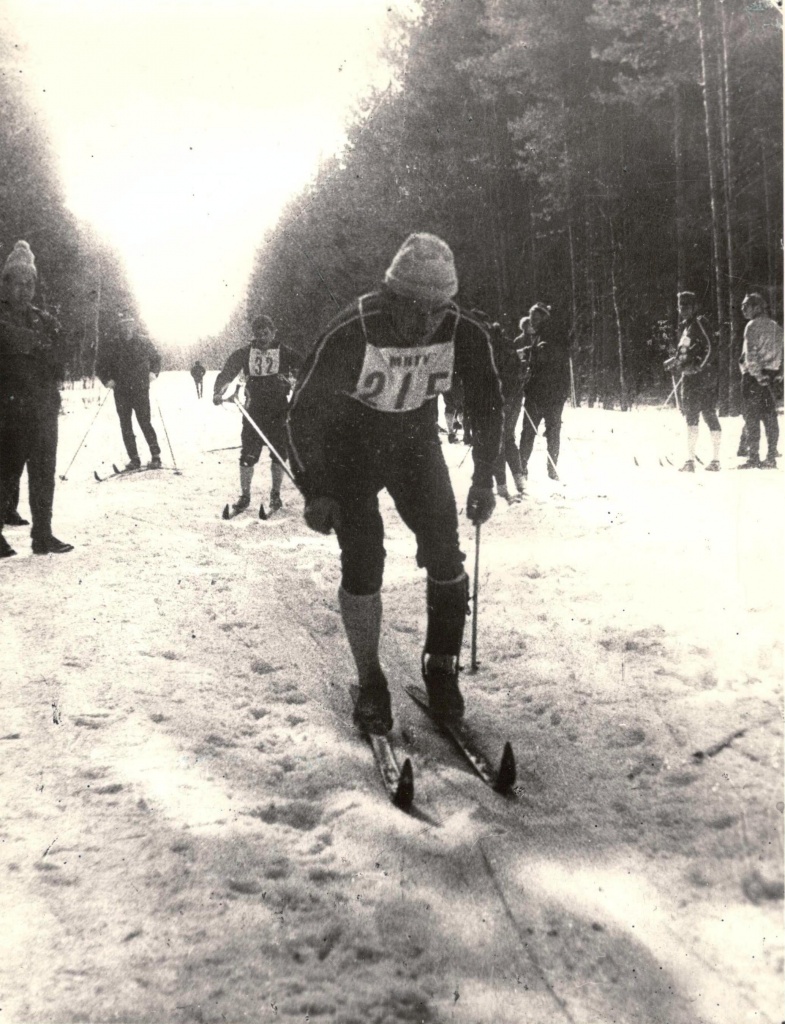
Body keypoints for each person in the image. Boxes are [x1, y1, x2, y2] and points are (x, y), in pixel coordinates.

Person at [287, 232, 504, 733]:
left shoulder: (460, 328)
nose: (425, 321)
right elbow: (301, 414)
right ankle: (370, 682)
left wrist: (485, 477)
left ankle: (441, 667)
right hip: (352, 454)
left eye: (437, 308)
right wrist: (314, 488)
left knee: (446, 554)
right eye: (412, 307)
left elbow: (490, 403)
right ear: (390, 295)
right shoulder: (354, 327)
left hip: (414, 447)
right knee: (364, 560)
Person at [0, 240, 73, 557]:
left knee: (44, 476)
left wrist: (44, 347)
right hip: (10, 409)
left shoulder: (42, 318)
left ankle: (42, 534)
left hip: (43, 410)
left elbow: (60, 359)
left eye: (30, 283)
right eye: (18, 283)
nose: (25, 289)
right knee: (5, 475)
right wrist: (37, 344)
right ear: (7, 284)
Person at [213, 314, 293, 514]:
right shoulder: (245, 352)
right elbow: (228, 372)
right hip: (253, 410)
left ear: (273, 332)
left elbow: (305, 369)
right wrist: (219, 391)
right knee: (248, 454)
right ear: (254, 335)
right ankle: (245, 495)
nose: (263, 337)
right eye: (258, 333)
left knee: (278, 453)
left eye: (266, 332)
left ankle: (275, 494)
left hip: (278, 410)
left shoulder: (284, 351)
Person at [471, 310, 526, 503]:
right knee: (508, 438)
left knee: (497, 441)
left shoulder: (486, 345)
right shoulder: (505, 341)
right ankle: (520, 482)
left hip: (499, 399)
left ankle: (502, 486)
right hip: (514, 397)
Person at [96, 312, 162, 470]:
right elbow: (100, 365)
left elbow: (156, 359)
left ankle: (156, 456)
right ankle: (134, 459)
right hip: (121, 391)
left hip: (140, 389)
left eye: (129, 324)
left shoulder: (144, 342)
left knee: (145, 422)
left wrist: (153, 372)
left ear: (134, 325)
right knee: (125, 425)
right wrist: (106, 380)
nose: (127, 328)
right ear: (120, 327)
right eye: (123, 324)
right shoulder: (113, 345)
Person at [517, 303, 570, 481]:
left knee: (530, 432)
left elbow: (546, 355)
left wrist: (527, 353)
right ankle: (549, 469)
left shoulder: (549, 334)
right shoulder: (549, 333)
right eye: (531, 319)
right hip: (554, 393)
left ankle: (523, 468)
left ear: (543, 318)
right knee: (551, 433)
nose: (532, 322)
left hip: (542, 393)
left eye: (535, 319)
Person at [669, 291, 721, 472]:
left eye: (687, 306)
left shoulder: (699, 323)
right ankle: (691, 461)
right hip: (692, 378)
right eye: (681, 306)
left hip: (701, 378)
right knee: (694, 416)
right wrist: (675, 361)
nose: (683, 309)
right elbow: (687, 352)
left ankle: (712, 460)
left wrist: (699, 367)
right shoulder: (687, 326)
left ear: (695, 306)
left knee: (706, 414)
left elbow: (711, 347)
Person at [738, 292, 783, 469]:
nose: (743, 310)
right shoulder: (776, 327)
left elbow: (751, 354)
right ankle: (771, 455)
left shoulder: (752, 326)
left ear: (757, 307)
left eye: (746, 306)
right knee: (770, 417)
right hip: (772, 377)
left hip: (754, 378)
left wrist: (757, 375)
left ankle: (753, 457)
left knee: (752, 417)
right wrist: (779, 373)